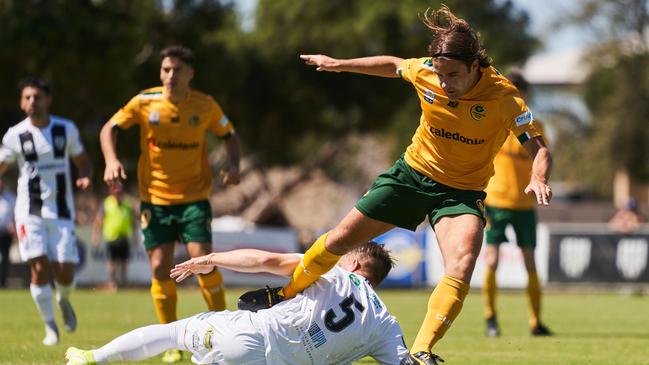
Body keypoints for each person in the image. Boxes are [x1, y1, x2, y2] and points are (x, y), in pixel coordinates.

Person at [239, 6, 553, 365]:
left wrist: (538, 175)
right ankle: (284, 293)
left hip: (460, 192)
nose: (444, 83)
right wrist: (340, 64)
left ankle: (421, 351)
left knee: (463, 263)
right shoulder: (427, 72)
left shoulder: (503, 96)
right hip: (411, 176)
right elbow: (392, 64)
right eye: (439, 73)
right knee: (340, 239)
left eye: (452, 74)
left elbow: (539, 148)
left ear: (475, 66)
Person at [99, 45, 241, 363]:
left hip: (194, 198)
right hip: (155, 199)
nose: (170, 76)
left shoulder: (204, 105)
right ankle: (170, 341)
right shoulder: (144, 101)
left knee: (202, 260)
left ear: (190, 74)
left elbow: (229, 134)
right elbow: (109, 128)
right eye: (165, 70)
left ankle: (225, 332)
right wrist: (110, 160)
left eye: (177, 70)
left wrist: (234, 165)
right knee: (159, 266)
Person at [64, 242, 409, 365]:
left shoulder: (331, 270)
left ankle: (91, 358)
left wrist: (213, 258)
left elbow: (266, 260)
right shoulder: (385, 325)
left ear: (355, 265)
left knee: (173, 333)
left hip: (248, 334)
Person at [0, 78, 93, 345]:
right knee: (39, 267)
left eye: (37, 97)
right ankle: (50, 326)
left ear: (48, 100)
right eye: (27, 97)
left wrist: (85, 177)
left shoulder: (66, 129)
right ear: (21, 102)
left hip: (62, 210)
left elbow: (83, 163)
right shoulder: (14, 135)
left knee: (65, 270)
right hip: (29, 211)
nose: (32, 102)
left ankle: (63, 299)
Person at [481, 71, 552, 337]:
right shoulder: (496, 123)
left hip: (525, 204)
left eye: (519, 91)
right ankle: (490, 318)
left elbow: (544, 159)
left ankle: (536, 321)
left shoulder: (537, 127)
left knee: (530, 262)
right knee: (492, 260)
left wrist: (542, 182)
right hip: (496, 203)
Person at [92, 181, 136, 291]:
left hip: (124, 236)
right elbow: (98, 221)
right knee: (111, 262)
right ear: (112, 191)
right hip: (111, 237)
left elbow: (133, 221)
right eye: (116, 191)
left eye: (120, 191)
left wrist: (135, 236)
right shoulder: (106, 203)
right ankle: (112, 283)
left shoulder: (127, 204)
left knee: (124, 262)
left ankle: (124, 283)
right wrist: (96, 236)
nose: (118, 193)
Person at [0, 178, 16, 287]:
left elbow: (17, 214)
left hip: (6, 234)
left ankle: (2, 282)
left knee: (4, 258)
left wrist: (13, 225)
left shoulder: (11, 198)